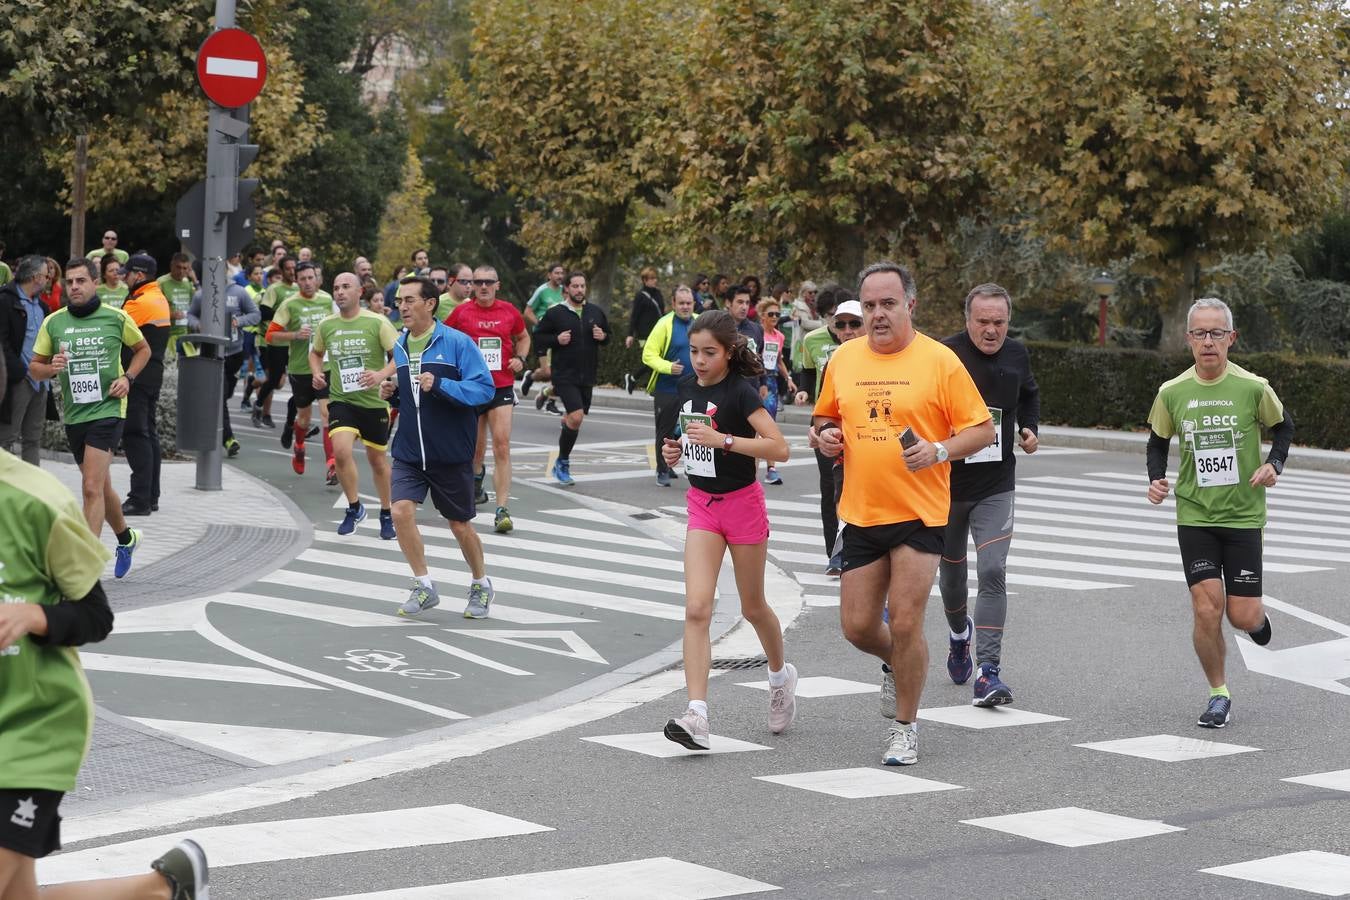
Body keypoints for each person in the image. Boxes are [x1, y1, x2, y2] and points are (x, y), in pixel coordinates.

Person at [0, 356, 210, 900]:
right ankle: (162, 888)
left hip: (34, 727)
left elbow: (96, 615)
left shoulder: (35, 501)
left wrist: (34, 615)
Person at [812, 261, 993, 766]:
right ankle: (899, 662)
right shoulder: (844, 360)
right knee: (857, 627)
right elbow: (826, 416)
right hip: (863, 510)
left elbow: (981, 431)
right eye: (868, 306)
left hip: (921, 512)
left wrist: (938, 451)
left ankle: (905, 728)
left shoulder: (940, 361)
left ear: (910, 306)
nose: (877, 315)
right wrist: (823, 436)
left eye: (888, 304)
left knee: (908, 619)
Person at [1146, 297, 1291, 729]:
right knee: (1206, 608)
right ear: (1188, 339)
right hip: (1195, 515)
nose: (1208, 342)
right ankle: (1218, 693)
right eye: (1199, 334)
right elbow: (1157, 439)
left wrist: (1274, 464)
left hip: (1244, 515)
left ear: (1232, 338)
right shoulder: (1172, 392)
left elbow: (1283, 427)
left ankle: (1258, 620)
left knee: (1241, 616)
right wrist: (1156, 477)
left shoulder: (1252, 387)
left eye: (1216, 333)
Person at [659, 309, 796, 750]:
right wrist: (674, 453)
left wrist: (726, 441)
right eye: (694, 351)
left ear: (728, 351)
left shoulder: (739, 393)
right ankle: (697, 714)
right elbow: (683, 443)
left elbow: (780, 448)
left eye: (709, 353)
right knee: (698, 608)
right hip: (702, 505)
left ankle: (779, 676)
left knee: (753, 606)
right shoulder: (684, 388)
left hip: (742, 505)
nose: (699, 361)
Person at [938, 283, 1040, 707]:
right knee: (953, 573)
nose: (991, 330)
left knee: (994, 570)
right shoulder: (943, 355)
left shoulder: (1017, 354)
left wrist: (1030, 427)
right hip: (946, 484)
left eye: (999, 322)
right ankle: (959, 633)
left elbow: (1029, 393)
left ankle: (988, 671)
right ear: (967, 321)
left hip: (996, 483)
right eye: (983, 322)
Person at [28, 259, 152, 578]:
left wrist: (129, 379)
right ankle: (126, 538)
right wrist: (51, 368)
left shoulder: (115, 317)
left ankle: (85, 567)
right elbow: (35, 368)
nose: (75, 288)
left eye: (81, 281)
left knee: (91, 487)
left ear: (95, 282)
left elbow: (143, 350)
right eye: (70, 282)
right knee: (101, 487)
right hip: (76, 412)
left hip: (109, 409)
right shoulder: (54, 322)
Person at [381, 276, 496, 618]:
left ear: (430, 304)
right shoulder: (400, 347)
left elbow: (483, 389)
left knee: (459, 525)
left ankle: (481, 583)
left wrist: (442, 384)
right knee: (400, 511)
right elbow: (415, 398)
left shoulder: (457, 343)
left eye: (410, 300)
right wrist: (395, 393)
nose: (402, 306)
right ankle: (424, 585)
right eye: (400, 300)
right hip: (410, 451)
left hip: (449, 452)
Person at [311, 272, 399, 539]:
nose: (339, 292)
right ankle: (354, 507)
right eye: (336, 287)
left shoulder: (377, 322)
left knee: (377, 461)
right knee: (340, 451)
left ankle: (386, 512)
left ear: (360, 292)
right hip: (342, 400)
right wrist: (317, 373)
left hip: (374, 403)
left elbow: (400, 356)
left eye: (346, 287)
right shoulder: (326, 325)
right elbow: (315, 353)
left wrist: (381, 375)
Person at [446, 265, 530, 533]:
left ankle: (502, 510)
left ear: (497, 285)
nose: (482, 286)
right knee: (475, 451)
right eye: (477, 282)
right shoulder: (462, 312)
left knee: (502, 446)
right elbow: (445, 338)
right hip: (472, 387)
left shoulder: (509, 311)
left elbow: (524, 337)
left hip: (501, 386)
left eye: (487, 282)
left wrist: (520, 358)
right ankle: (477, 478)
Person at [794, 289, 860, 573]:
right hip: (827, 423)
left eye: (854, 323)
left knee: (855, 488)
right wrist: (804, 393)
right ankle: (835, 553)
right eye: (839, 322)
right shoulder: (814, 341)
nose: (846, 329)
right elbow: (809, 374)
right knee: (831, 487)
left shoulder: (878, 352)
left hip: (863, 432)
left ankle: (857, 551)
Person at [531, 271, 609, 486]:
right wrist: (556, 339)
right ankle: (562, 463)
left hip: (587, 375)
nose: (579, 290)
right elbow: (539, 336)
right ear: (567, 289)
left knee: (573, 419)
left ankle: (559, 415)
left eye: (582, 286)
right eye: (575, 286)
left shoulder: (595, 312)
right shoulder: (556, 313)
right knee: (576, 417)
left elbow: (607, 336)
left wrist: (603, 337)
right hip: (564, 374)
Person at [266, 261, 336, 481]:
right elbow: (270, 335)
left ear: (317, 278)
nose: (307, 282)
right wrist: (295, 335)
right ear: (296, 280)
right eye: (303, 278)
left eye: (310, 277)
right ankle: (299, 445)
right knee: (304, 417)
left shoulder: (327, 299)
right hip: (300, 368)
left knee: (327, 414)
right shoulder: (289, 304)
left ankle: (332, 465)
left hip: (325, 367)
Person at [118, 255, 172, 516]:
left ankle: (139, 499)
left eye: (126, 273)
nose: (123, 277)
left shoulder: (139, 303)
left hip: (136, 376)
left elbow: (114, 331)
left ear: (138, 275)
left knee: (135, 435)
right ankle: (151, 496)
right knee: (148, 435)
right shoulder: (158, 296)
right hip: (152, 374)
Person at [187, 278, 260, 459]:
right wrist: (197, 324)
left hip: (235, 352)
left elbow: (255, 314)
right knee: (220, 394)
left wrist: (239, 321)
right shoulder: (201, 294)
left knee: (225, 395)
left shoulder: (238, 292)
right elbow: (191, 315)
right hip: (211, 352)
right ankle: (228, 439)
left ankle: (210, 424)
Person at [642, 285, 696, 488]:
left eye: (688, 303)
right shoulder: (664, 324)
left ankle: (682, 466)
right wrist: (668, 367)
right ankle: (662, 469)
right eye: (681, 303)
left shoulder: (699, 322)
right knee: (665, 431)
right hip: (668, 388)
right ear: (673, 304)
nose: (685, 307)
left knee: (689, 430)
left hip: (694, 388)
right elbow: (648, 354)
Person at [0, 257, 52, 465]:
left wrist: (49, 370)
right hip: (17, 380)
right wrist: (21, 372)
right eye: (46, 275)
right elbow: (2, 343)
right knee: (6, 438)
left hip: (41, 382)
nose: (49, 279)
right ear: (35, 277)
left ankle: (33, 493)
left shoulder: (43, 307)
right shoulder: (5, 300)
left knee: (33, 439)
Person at [251, 255, 298, 429]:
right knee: (275, 380)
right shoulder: (274, 289)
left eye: (294, 268)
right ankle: (259, 405)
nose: (292, 271)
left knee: (298, 381)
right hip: (276, 342)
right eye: (288, 268)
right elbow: (263, 312)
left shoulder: (299, 288)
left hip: (296, 343)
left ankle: (299, 421)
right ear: (281, 270)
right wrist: (284, 318)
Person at [754, 298, 796, 485]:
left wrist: (788, 379)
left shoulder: (779, 336)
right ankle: (751, 472)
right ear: (762, 316)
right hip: (755, 381)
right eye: (771, 314)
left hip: (771, 383)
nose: (775, 317)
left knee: (768, 427)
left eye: (778, 314)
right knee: (754, 427)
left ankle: (771, 469)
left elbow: (779, 362)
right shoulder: (756, 334)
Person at [521, 263, 566, 406]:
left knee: (557, 371)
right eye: (556, 273)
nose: (560, 276)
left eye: (561, 273)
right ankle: (531, 377)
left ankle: (551, 403)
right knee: (547, 373)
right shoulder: (542, 290)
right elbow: (527, 312)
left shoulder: (564, 291)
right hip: (542, 335)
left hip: (558, 337)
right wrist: (540, 325)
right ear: (549, 275)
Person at [623, 266, 664, 395]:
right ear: (645, 280)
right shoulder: (640, 295)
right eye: (651, 278)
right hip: (644, 334)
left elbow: (662, 312)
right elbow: (634, 315)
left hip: (658, 332)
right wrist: (630, 334)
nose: (654, 281)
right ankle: (649, 387)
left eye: (655, 278)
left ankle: (633, 378)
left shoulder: (658, 294)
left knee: (656, 359)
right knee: (651, 359)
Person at [157, 253, 195, 356]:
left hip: (184, 335)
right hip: (167, 336)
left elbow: (195, 305)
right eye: (178, 267)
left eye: (184, 268)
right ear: (171, 266)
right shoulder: (161, 282)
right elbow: (154, 310)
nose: (181, 271)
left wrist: (195, 280)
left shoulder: (188, 283)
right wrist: (172, 315)